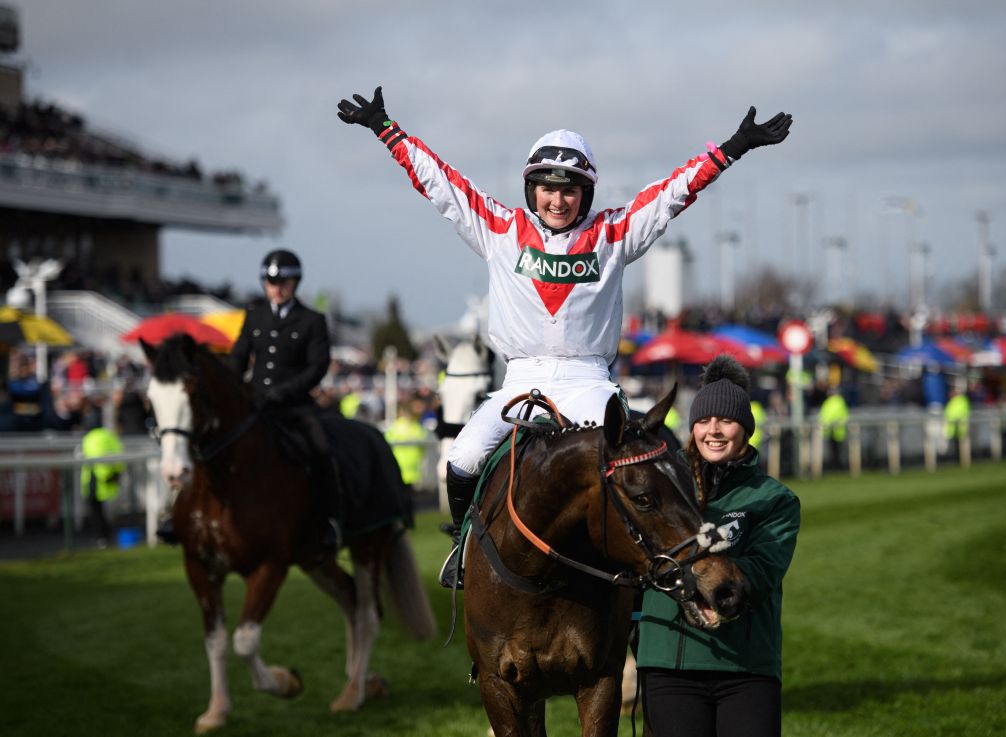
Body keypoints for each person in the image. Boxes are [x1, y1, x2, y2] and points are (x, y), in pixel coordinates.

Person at [337, 86, 792, 588]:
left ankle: (645, 569)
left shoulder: (616, 233)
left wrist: (733, 147)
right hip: (520, 381)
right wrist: (386, 129)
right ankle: (464, 550)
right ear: (532, 189)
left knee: (643, 457)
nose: (557, 200)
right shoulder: (499, 228)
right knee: (462, 459)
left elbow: (674, 193)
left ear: (586, 194)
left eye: (570, 190)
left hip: (589, 382)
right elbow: (440, 184)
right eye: (547, 188)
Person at [635, 355, 800, 737]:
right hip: (668, 665)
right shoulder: (662, 490)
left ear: (745, 429)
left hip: (746, 669)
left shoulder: (775, 499)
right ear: (692, 427)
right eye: (704, 421)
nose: (714, 430)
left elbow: (761, 573)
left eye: (726, 421)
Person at [157, 249, 341, 552]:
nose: (276, 288)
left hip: (292, 405)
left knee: (320, 447)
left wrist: (285, 391)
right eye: (271, 283)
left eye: (283, 282)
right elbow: (239, 358)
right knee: (202, 443)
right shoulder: (254, 315)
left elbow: (317, 366)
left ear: (295, 283)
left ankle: (329, 521)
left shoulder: (311, 320)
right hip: (254, 402)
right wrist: (227, 386)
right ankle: (176, 513)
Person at [80, 425, 125, 549]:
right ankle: (107, 538)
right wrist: (116, 474)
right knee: (109, 512)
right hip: (111, 478)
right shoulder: (110, 436)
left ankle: (102, 539)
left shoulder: (89, 437)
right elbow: (119, 453)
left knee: (96, 511)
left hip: (95, 479)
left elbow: (88, 456)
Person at [818, 386, 849, 470]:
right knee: (835, 450)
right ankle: (836, 466)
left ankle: (836, 466)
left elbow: (825, 415)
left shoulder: (835, 401)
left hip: (835, 429)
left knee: (836, 450)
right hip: (832, 430)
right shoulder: (835, 401)